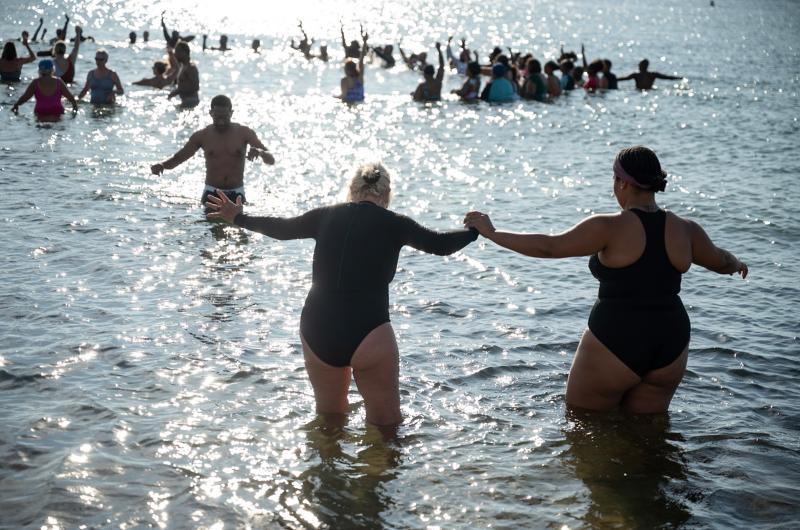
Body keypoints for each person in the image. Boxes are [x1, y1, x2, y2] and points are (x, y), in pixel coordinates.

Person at [464, 146, 748, 413]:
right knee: (649, 435)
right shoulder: (686, 229)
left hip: (617, 338)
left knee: (582, 425)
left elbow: (549, 247)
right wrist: (737, 263)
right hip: (671, 342)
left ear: (622, 182)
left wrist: (493, 233)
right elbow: (721, 261)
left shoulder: (609, 227)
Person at [205, 162, 479, 435]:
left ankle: (328, 474)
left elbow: (282, 229)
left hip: (318, 329)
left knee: (328, 421)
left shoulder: (325, 215)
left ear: (352, 190)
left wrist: (239, 218)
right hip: (368, 330)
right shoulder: (395, 223)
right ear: (386, 194)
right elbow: (440, 244)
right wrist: (474, 231)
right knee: (387, 429)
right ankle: (375, 476)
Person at [150, 94, 275, 205]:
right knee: (210, 230)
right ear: (211, 113)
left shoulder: (244, 133)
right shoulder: (202, 136)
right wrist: (162, 165)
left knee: (238, 230)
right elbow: (179, 158)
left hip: (237, 193)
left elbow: (271, 160)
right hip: (211, 193)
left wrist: (260, 153)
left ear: (231, 113)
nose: (221, 122)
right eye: (217, 117)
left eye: (225, 117)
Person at [11, 59, 78, 121]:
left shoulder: (35, 82)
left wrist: (16, 105)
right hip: (57, 110)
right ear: (52, 69)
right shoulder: (58, 81)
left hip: (41, 111)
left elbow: (25, 97)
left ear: (39, 70)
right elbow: (70, 97)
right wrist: (75, 109)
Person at [338, 27, 368, 103]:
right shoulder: (360, 78)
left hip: (348, 103)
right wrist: (365, 42)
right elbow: (361, 60)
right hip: (361, 102)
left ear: (346, 70)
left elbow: (343, 96)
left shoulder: (345, 80)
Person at [167, 40, 199, 107]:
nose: (175, 54)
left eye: (177, 51)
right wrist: (173, 94)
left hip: (190, 102)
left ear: (185, 53)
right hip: (185, 101)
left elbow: (196, 87)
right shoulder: (183, 66)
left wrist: (179, 90)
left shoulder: (191, 68)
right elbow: (183, 86)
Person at [617, 59, 682, 90]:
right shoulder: (652, 74)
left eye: (639, 65)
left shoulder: (636, 75)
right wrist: (678, 78)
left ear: (641, 66)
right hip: (650, 90)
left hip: (639, 90)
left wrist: (613, 79)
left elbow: (624, 79)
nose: (638, 67)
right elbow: (666, 77)